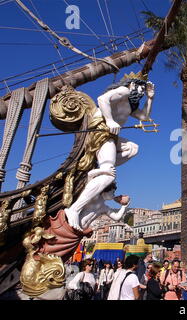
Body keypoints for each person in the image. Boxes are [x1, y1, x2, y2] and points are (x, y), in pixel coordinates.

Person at [65, 75, 155, 232]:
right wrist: (110, 120)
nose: (141, 92)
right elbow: (102, 99)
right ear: (132, 84)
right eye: (141, 88)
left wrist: (150, 98)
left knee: (132, 148)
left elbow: (144, 117)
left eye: (143, 90)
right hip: (101, 130)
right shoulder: (123, 91)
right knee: (108, 176)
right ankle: (74, 209)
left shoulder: (131, 104)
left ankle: (105, 166)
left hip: (112, 134)